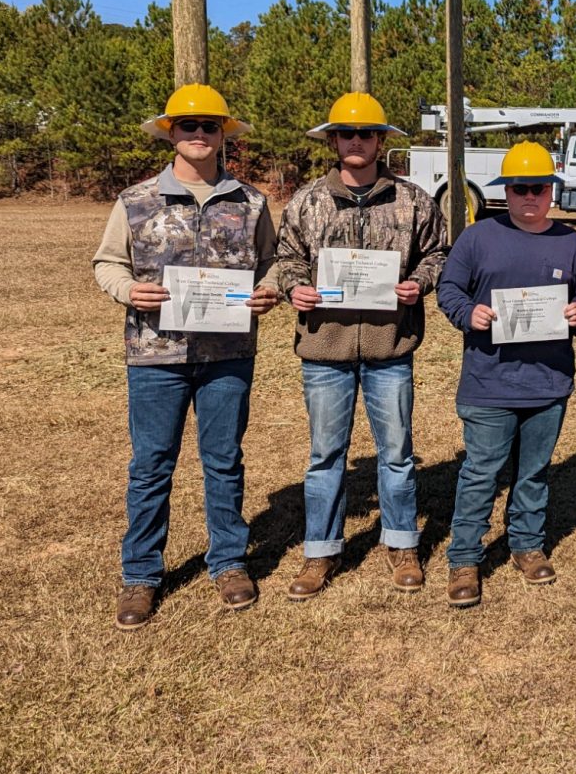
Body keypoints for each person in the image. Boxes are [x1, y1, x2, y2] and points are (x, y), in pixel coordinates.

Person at [93, 84, 280, 629]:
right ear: (171, 133)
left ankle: (227, 562)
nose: (199, 134)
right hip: (156, 355)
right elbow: (107, 263)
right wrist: (130, 291)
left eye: (209, 126)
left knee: (223, 461)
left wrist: (268, 290)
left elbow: (271, 261)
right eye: (188, 126)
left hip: (228, 354)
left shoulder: (250, 201)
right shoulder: (135, 200)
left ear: (223, 134)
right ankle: (141, 575)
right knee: (151, 465)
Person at [271, 93, 448, 601]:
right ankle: (320, 550)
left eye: (365, 133)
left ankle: (402, 544)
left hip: (390, 348)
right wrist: (294, 287)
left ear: (380, 141)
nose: (356, 141)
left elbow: (438, 252)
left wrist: (420, 282)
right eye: (346, 133)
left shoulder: (412, 200)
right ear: (333, 140)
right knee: (326, 455)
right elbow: (287, 257)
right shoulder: (307, 201)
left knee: (397, 454)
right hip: (325, 350)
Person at [436, 142, 576, 608]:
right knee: (481, 472)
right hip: (489, 381)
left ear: (552, 191)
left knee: (533, 473)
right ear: (506, 191)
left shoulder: (570, 243)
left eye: (540, 188)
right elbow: (449, 288)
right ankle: (465, 557)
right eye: (520, 188)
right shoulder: (477, 237)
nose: (531, 196)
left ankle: (526, 543)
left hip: (548, 381)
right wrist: (470, 313)